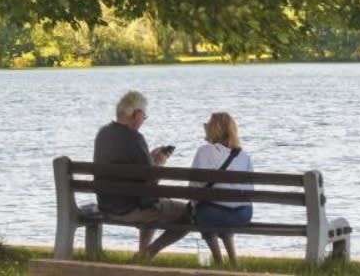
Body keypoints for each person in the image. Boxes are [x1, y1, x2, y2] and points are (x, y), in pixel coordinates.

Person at [93, 90, 191, 261]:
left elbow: (131, 169)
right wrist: (159, 164)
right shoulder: (135, 138)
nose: (143, 121)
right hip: (130, 209)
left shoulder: (103, 134)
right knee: (190, 213)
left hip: (106, 205)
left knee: (152, 202)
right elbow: (150, 184)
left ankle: (141, 254)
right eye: (144, 117)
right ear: (137, 114)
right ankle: (149, 252)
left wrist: (149, 160)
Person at [190, 111, 255, 266]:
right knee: (222, 210)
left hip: (212, 215)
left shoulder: (204, 151)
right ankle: (233, 261)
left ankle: (218, 260)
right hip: (243, 214)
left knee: (204, 213)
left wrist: (194, 205)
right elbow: (250, 190)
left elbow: (194, 187)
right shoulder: (244, 156)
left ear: (213, 129)